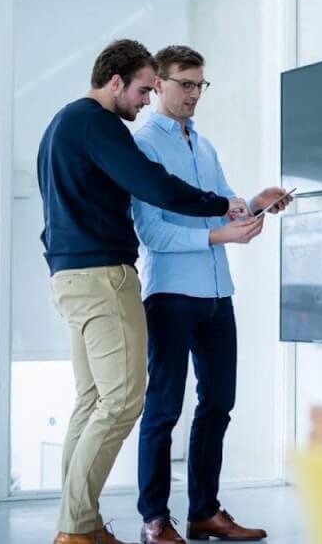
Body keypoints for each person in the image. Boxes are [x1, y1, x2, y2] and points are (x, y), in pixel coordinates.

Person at [37, 38, 250, 544]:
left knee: (93, 402)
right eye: (142, 89)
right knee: (123, 404)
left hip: (72, 275)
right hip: (103, 277)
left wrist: (232, 204)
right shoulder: (100, 125)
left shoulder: (63, 124)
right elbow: (152, 186)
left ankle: (80, 522)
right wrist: (219, 206)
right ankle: (77, 529)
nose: (144, 99)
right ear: (115, 82)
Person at [131, 45, 288, 544]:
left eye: (201, 85)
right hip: (172, 296)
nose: (195, 94)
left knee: (218, 403)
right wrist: (220, 235)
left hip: (219, 295)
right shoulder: (143, 145)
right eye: (186, 84)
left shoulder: (204, 145)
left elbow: (222, 209)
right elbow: (152, 233)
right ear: (158, 84)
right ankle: (155, 519)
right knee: (163, 408)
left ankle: (205, 512)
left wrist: (255, 205)